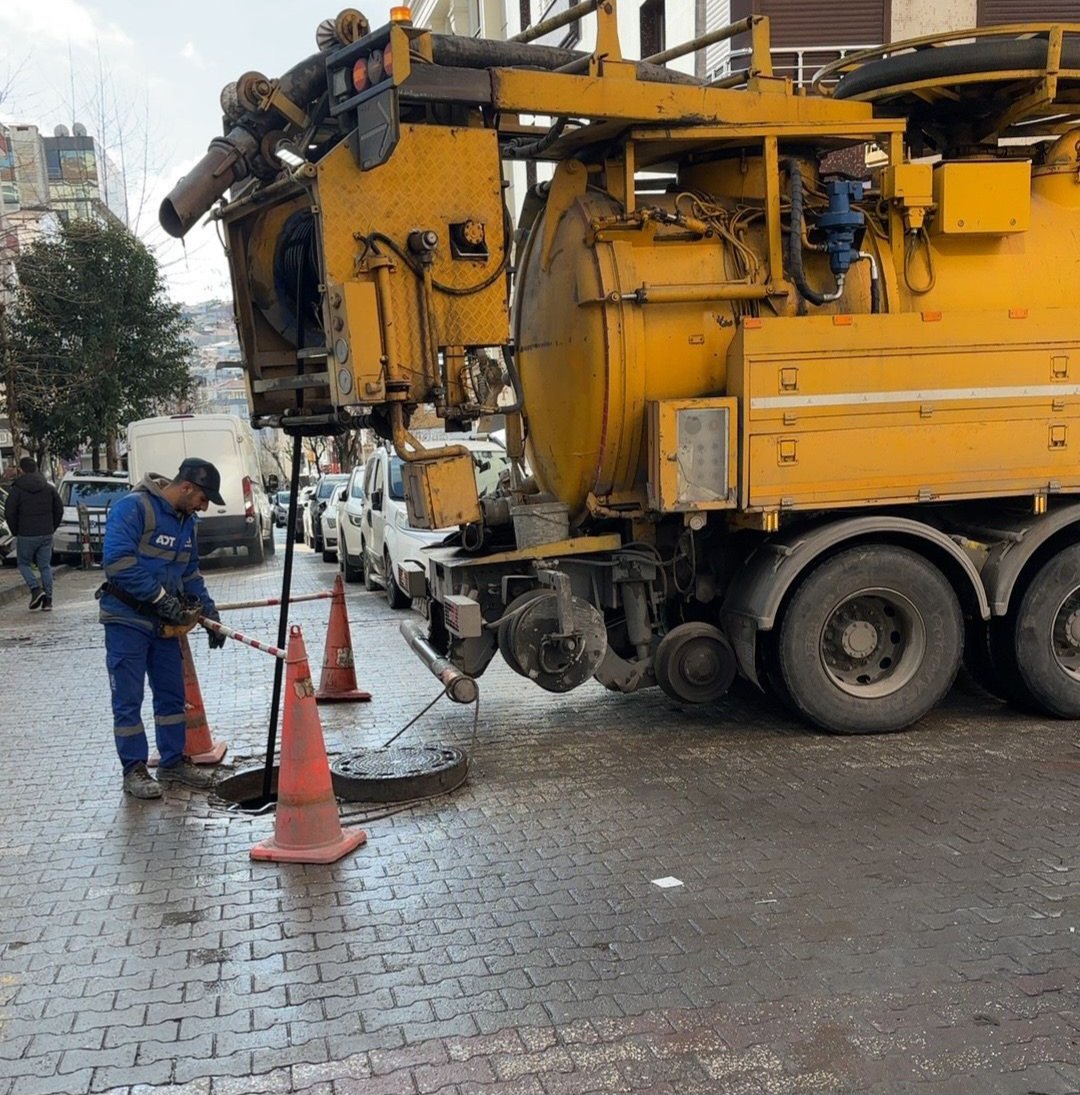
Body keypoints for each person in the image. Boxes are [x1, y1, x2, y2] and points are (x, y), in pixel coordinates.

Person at [99, 457, 229, 799]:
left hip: (164, 626)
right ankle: (134, 768)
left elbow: (190, 574)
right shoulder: (134, 508)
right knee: (128, 699)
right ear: (186, 487)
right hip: (126, 620)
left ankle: (173, 762)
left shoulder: (187, 523)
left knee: (172, 696)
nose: (203, 507)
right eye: (203, 499)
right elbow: (117, 563)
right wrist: (160, 598)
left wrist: (211, 616)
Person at [4, 456, 64, 611]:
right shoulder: (49, 487)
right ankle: (48, 601)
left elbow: (9, 512)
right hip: (46, 533)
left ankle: (35, 589)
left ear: (21, 470)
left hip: (26, 533)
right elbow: (59, 509)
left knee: (23, 563)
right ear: (36, 468)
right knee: (45, 566)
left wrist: (16, 530)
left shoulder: (17, 490)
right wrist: (52, 527)